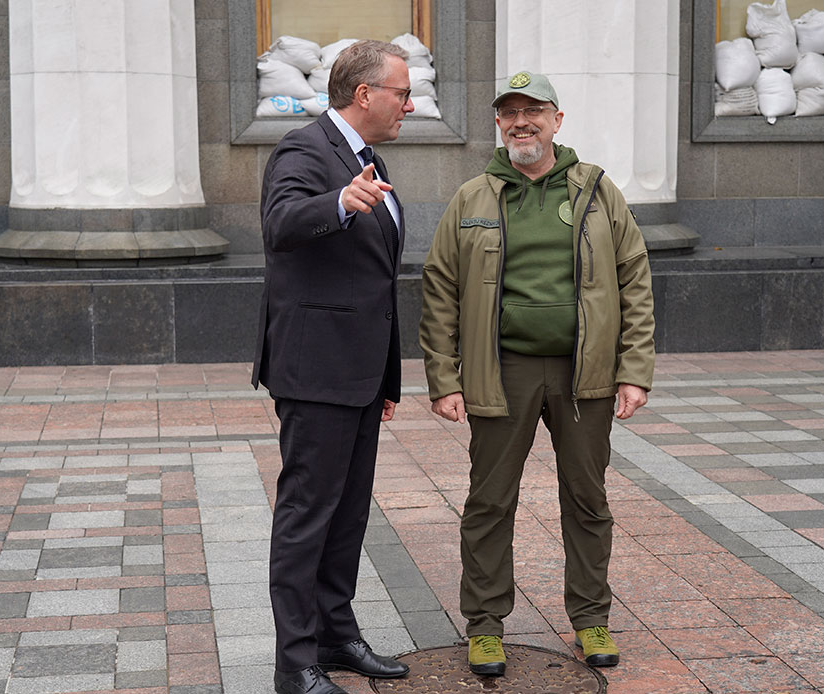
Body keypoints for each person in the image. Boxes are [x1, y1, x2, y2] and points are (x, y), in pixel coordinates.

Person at [419, 71, 656, 677]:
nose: (521, 122)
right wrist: (445, 379)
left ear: (557, 119)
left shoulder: (599, 192)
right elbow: (440, 290)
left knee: (587, 498)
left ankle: (591, 617)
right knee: (490, 501)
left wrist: (634, 370)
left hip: (586, 374)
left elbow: (634, 279)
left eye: (534, 112)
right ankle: (486, 626)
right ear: (498, 123)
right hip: (503, 371)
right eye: (510, 113)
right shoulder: (473, 196)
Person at [253, 39, 415, 694]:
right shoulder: (304, 150)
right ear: (364, 94)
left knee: (347, 514)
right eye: (401, 92)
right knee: (307, 516)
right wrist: (337, 205)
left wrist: (385, 376)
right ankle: (295, 664)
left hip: (358, 373)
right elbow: (278, 223)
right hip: (315, 372)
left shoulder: (366, 157)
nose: (409, 103)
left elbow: (374, 280)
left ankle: (335, 636)